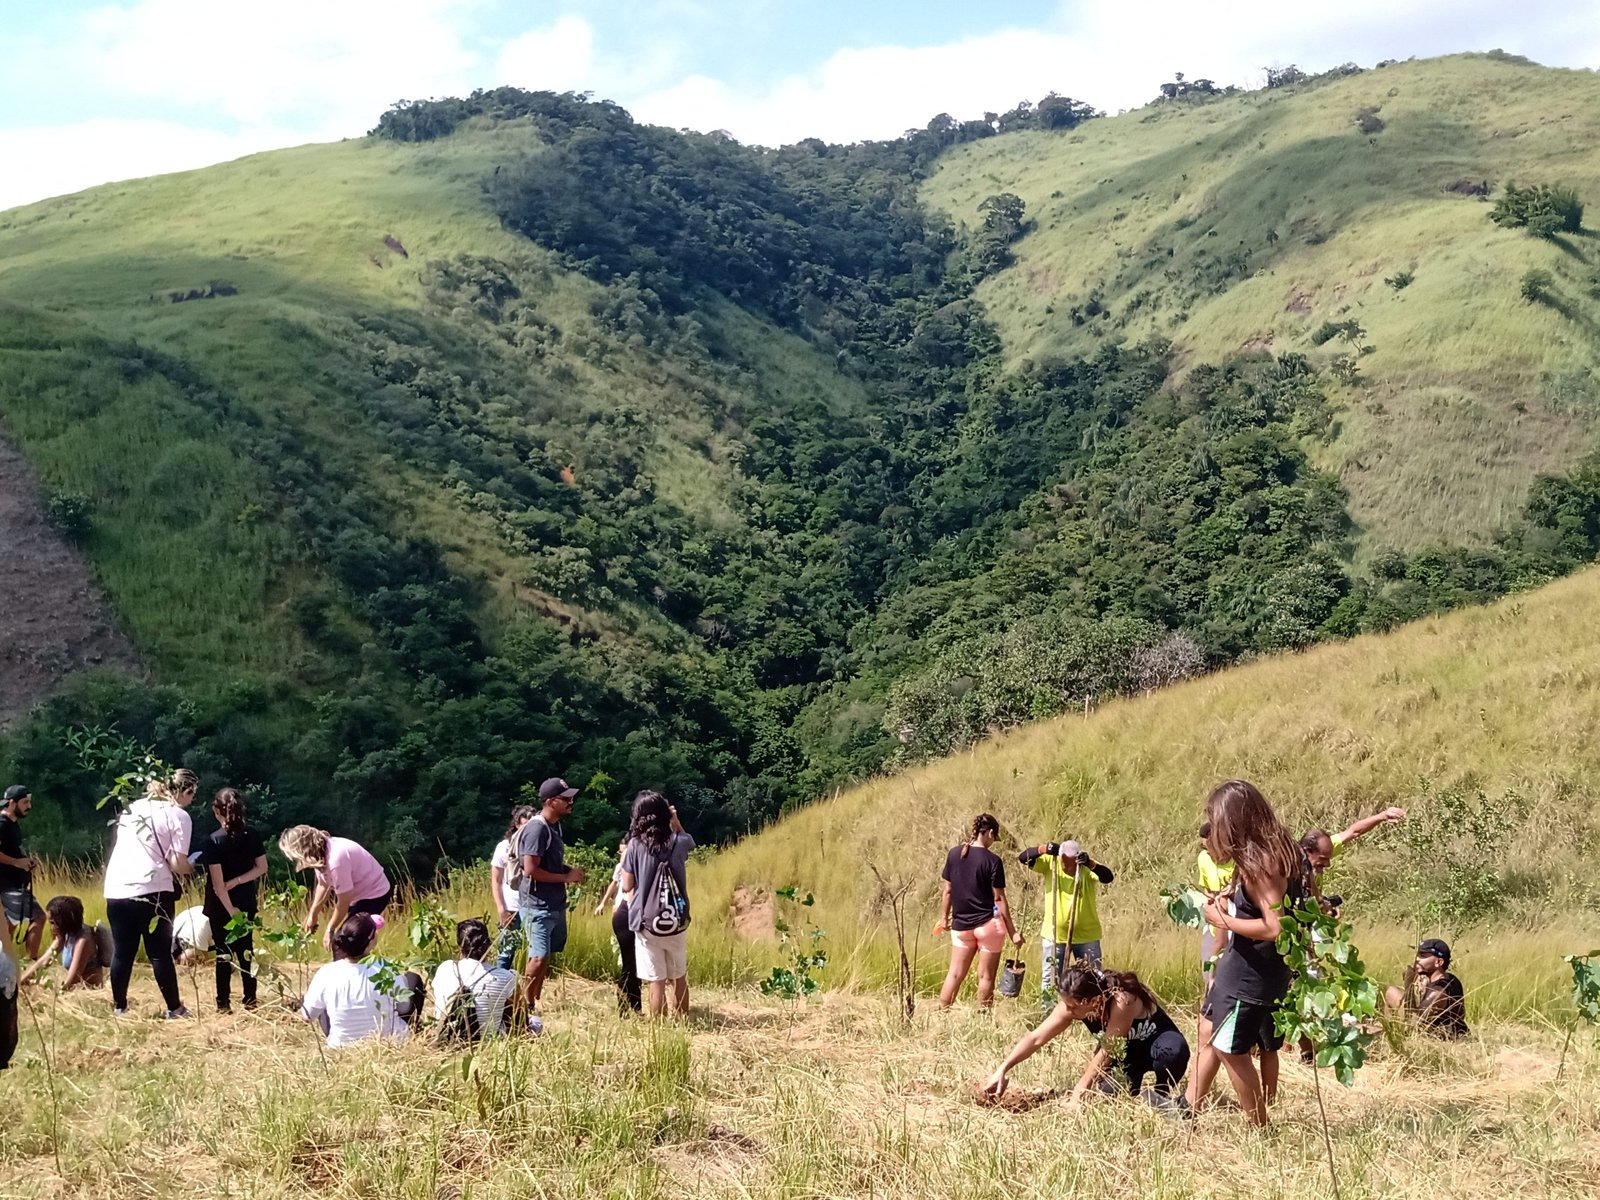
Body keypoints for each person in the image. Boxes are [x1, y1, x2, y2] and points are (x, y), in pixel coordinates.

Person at [1186, 779, 1303, 1126]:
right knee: (1208, 1029)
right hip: (1241, 968)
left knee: (1229, 1049)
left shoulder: (1262, 864)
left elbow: (1274, 926)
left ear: (1233, 820)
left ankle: (1259, 1126)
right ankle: (1188, 1105)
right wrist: (1228, 894)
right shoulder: (1266, 852)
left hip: (1251, 978)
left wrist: (1222, 918)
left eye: (1215, 818)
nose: (1214, 827)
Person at [984, 964, 1190, 1109]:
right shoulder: (1074, 1006)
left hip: (1156, 1042)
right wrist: (1004, 1068)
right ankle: (1135, 1086)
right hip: (1126, 1056)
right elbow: (1036, 1038)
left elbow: (1108, 1049)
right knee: (1110, 1093)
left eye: (1073, 1006)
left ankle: (1161, 1095)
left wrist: (1078, 1094)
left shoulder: (1122, 1001)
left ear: (1094, 1000)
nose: (1067, 1010)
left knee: (1172, 1052)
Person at [103, 767, 198, 1018]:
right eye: (192, 794)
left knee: (123, 951)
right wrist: (194, 866)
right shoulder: (178, 815)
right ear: (185, 791)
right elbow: (178, 863)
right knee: (159, 953)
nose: (192, 801)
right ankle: (174, 1008)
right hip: (153, 889)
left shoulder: (132, 808)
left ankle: (119, 1006)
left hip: (117, 886)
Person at [620, 791, 694, 1020]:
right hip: (675, 919)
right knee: (679, 975)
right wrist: (675, 821)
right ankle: (682, 1021)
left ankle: (659, 1028)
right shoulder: (679, 842)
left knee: (656, 980)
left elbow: (626, 885)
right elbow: (690, 842)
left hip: (646, 920)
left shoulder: (634, 846)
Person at [936, 814, 1022, 1010]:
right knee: (986, 976)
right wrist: (1013, 932)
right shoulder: (993, 861)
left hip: (960, 926)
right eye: (994, 838)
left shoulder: (954, 854)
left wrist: (943, 919)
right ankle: (983, 1017)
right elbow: (999, 899)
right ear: (990, 833)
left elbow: (947, 890)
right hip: (988, 925)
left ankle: (942, 1013)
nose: (993, 842)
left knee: (955, 973)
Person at [517, 778, 585, 1021]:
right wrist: (566, 878)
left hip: (552, 902)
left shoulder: (554, 826)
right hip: (537, 904)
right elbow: (530, 869)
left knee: (545, 956)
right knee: (538, 956)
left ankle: (533, 1000)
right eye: (565, 798)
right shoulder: (537, 829)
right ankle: (523, 1005)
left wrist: (569, 872)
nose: (570, 802)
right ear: (549, 801)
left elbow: (549, 864)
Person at [299, 913, 420, 1048]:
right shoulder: (387, 968)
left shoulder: (326, 973)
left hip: (340, 1046)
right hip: (389, 1043)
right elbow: (404, 1007)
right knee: (413, 979)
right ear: (371, 941)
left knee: (321, 1002)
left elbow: (307, 1014)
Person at [196, 788, 268, 1011]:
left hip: (220, 907)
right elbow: (262, 868)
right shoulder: (252, 835)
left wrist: (230, 909)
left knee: (223, 953)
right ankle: (251, 1000)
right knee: (247, 952)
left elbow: (218, 885)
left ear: (217, 811)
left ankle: (223, 1004)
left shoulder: (214, 841)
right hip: (246, 900)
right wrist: (239, 881)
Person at [1020, 837, 1114, 998]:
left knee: (1093, 980)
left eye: (1072, 863)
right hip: (1054, 936)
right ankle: (1049, 1013)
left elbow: (1108, 877)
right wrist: (1043, 848)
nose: (1068, 867)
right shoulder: (1051, 863)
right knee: (1051, 980)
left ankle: (1091, 1014)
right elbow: (1023, 857)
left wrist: (1091, 864)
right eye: (1065, 863)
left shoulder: (1085, 867)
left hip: (1087, 937)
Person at [278, 826, 393, 950]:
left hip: (374, 894)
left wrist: (330, 929)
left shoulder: (336, 859)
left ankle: (359, 967)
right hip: (359, 895)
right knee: (346, 941)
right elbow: (323, 884)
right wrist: (313, 914)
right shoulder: (320, 853)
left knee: (345, 941)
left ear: (302, 850)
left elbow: (343, 902)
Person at [431, 918, 519, 1040]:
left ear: (460, 946)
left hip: (448, 1038)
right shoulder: (505, 977)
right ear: (488, 944)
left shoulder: (445, 968)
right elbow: (521, 1018)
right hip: (489, 1040)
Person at [1299, 805, 1407, 892]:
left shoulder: (1325, 848)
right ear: (1306, 850)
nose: (1328, 864)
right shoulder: (1288, 867)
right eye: (1322, 859)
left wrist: (1382, 816)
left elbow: (1354, 832)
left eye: (1329, 858)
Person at [1384, 938, 1469, 1038]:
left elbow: (1415, 1022)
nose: (1417, 959)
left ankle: (1388, 1033)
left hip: (1442, 1038)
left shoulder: (1439, 991)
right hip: (1430, 1031)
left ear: (1438, 962)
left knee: (1391, 993)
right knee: (1392, 991)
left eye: (1423, 956)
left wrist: (1409, 986)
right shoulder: (1445, 978)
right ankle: (1387, 1029)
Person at [17, 896, 105, 990]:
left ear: (64, 922)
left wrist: (49, 991)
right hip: (74, 990)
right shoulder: (64, 936)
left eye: (52, 923)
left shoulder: (83, 942)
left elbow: (72, 980)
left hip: (87, 992)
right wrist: (20, 982)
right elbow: (43, 962)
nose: (51, 928)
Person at [594, 838, 640, 1015]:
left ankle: (635, 1006)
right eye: (620, 852)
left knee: (633, 964)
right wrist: (603, 903)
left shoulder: (636, 865)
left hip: (628, 914)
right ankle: (625, 1007)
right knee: (630, 964)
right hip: (624, 916)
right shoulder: (624, 868)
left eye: (625, 852)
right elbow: (622, 888)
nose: (622, 856)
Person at [0, 785, 45, 961]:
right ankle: (30, 964)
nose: (29, 806)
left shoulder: (12, 823)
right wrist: (17, 862)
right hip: (7, 884)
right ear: (11, 803)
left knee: (9, 925)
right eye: (25, 802)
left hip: (13, 882)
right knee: (38, 917)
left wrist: (25, 862)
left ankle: (6, 966)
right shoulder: (2, 824)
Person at [490, 804, 535, 970]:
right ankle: (501, 988)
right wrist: (502, 909)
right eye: (525, 824)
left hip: (533, 906)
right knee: (506, 952)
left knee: (535, 951)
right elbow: (496, 880)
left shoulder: (538, 846)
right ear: (517, 824)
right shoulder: (504, 847)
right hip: (512, 907)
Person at [1196, 822, 1233, 995]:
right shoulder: (1203, 858)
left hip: (1234, 926)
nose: (1208, 852)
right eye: (1205, 848)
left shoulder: (1238, 862)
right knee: (1209, 974)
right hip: (1213, 925)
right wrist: (1210, 897)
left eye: (1211, 847)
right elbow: (1206, 888)